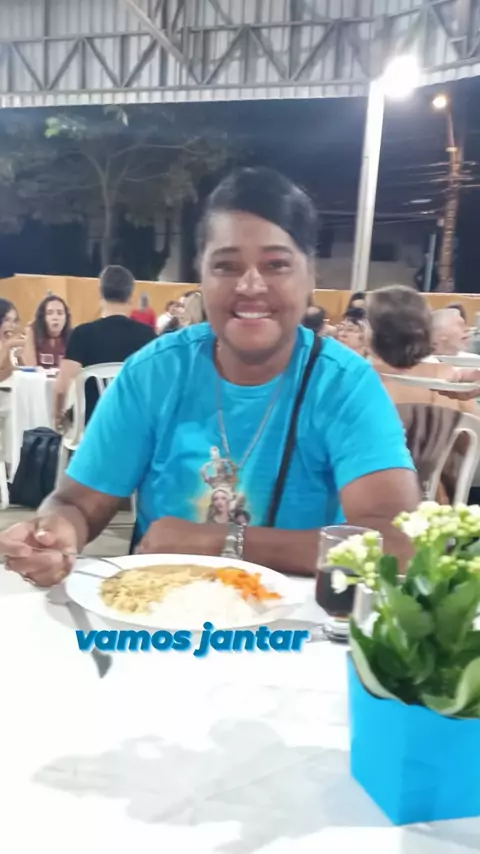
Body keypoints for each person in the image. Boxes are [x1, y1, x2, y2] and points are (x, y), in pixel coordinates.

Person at [0, 166, 419, 587]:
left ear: (310, 276)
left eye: (276, 264)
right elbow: (75, 502)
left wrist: (223, 541)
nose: (251, 285)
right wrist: (54, 534)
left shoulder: (343, 385)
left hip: (296, 621)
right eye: (227, 266)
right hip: (157, 611)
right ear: (200, 275)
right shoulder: (154, 372)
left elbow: (398, 544)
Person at [52, 266, 156, 429]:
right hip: (134, 429)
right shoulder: (148, 336)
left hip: (93, 429)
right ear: (131, 296)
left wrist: (58, 418)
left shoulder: (82, 334)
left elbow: (60, 389)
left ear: (100, 294)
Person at [22, 295, 71, 369]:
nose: (55, 317)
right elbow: (30, 367)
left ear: (66, 318)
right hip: (39, 376)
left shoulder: (72, 337)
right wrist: (30, 334)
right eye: (49, 313)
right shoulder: (33, 334)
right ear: (43, 317)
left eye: (60, 313)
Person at [0, 299, 23, 381]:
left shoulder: (13, 346)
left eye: (14, 321)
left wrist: (20, 357)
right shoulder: (8, 345)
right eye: (7, 320)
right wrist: (8, 346)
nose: (12, 325)